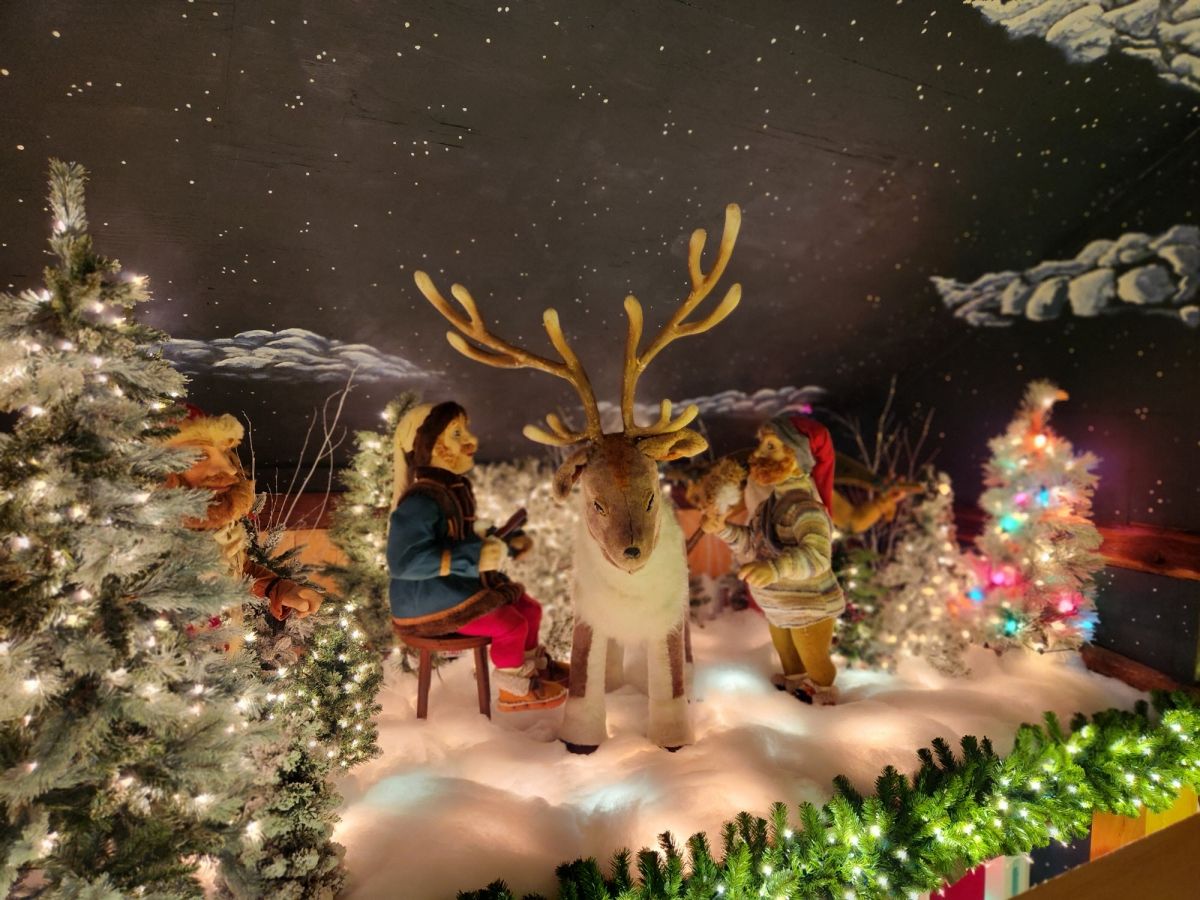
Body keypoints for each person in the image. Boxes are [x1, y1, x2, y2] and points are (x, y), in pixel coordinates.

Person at [387, 401, 568, 712]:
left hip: (450, 588)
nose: (471, 440)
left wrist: (506, 541)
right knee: (510, 624)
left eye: (466, 430)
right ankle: (514, 689)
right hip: (424, 601)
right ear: (427, 444)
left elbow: (462, 536)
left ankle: (532, 670)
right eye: (456, 433)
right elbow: (404, 562)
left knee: (530, 609)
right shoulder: (420, 501)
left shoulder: (450, 490)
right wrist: (471, 557)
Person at [702, 414, 845, 704]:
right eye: (761, 446)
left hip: (808, 606)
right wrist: (723, 529)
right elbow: (753, 542)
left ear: (797, 456)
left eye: (771, 447)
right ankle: (795, 686)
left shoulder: (806, 509)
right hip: (778, 604)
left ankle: (824, 695)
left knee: (813, 657)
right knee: (786, 653)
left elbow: (817, 556)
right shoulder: (769, 506)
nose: (758, 454)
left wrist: (775, 568)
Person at [164, 406, 324, 650]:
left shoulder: (219, 530)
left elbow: (237, 569)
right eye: (199, 455)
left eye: (224, 453)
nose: (229, 470)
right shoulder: (135, 542)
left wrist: (276, 588)